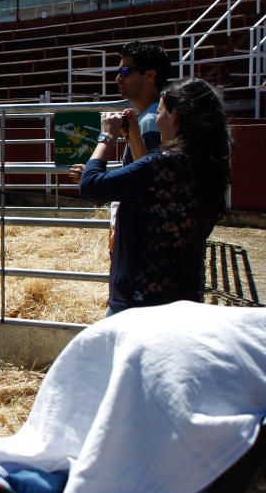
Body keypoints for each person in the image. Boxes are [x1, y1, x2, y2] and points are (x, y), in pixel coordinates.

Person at [79, 78, 231, 315]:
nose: (157, 120)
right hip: (185, 298)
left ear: (176, 117)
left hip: (138, 301)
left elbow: (91, 185)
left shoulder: (164, 164)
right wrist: (134, 137)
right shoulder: (208, 166)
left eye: (160, 112)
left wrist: (106, 137)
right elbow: (150, 185)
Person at [70, 41, 172, 250]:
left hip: (141, 236)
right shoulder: (148, 118)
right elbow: (142, 168)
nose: (118, 77)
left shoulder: (151, 122)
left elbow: (147, 182)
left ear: (150, 75)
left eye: (125, 71)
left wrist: (99, 181)